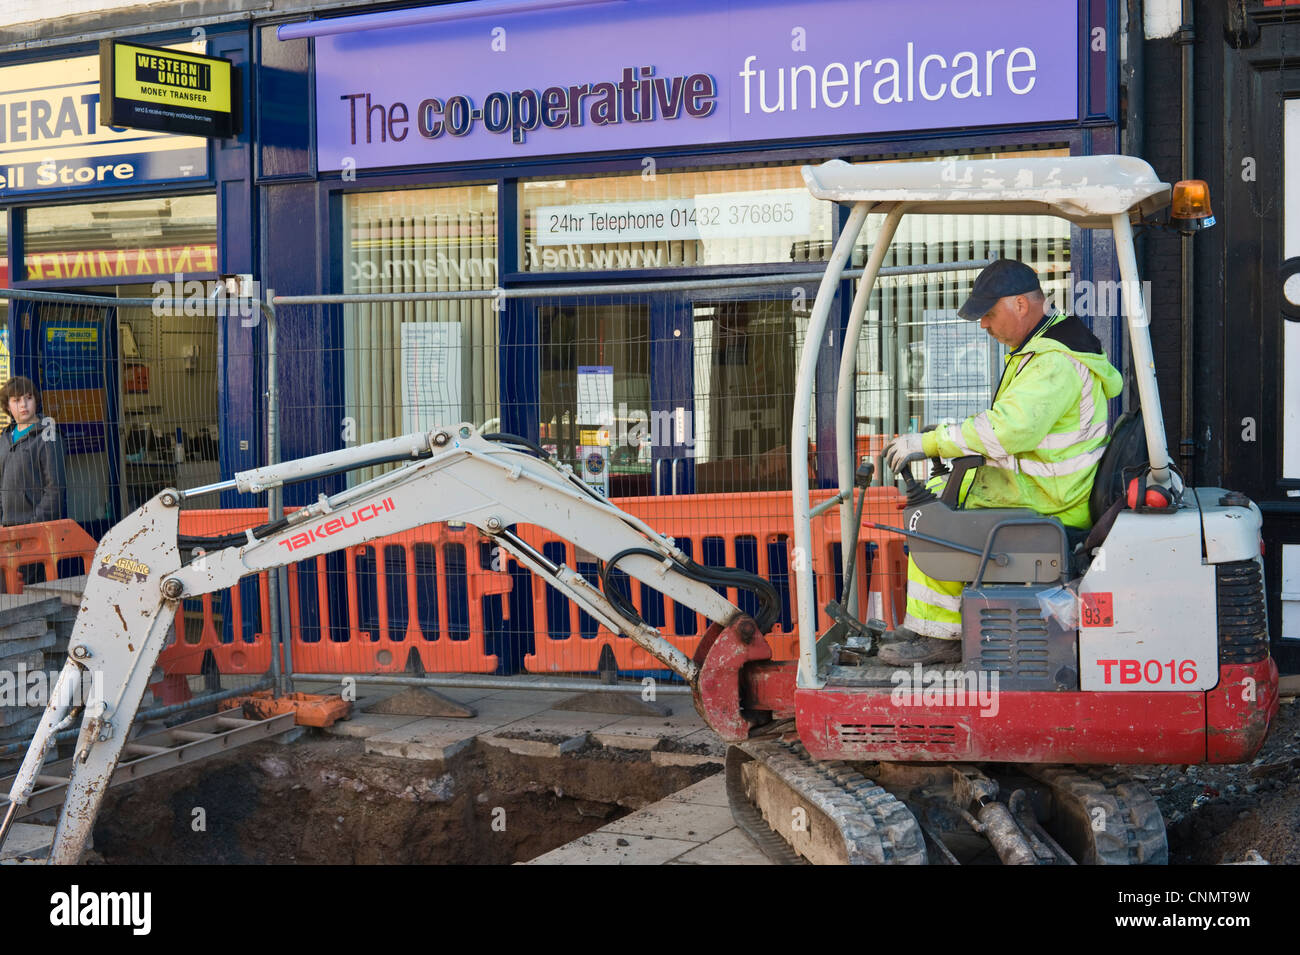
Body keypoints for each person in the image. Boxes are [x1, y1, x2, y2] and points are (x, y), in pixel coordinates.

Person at [879, 259, 1123, 665]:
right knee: (938, 497)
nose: (984, 326)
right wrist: (949, 441)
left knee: (935, 522)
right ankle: (929, 624)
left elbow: (1009, 430)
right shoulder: (1042, 347)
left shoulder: (1052, 362)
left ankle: (941, 637)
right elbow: (1013, 427)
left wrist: (932, 442)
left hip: (1048, 502)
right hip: (1043, 490)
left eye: (989, 315)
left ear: (1021, 306)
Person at [0, 376, 67, 528]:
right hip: (6, 529)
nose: (23, 404)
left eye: (28, 398)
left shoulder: (48, 436)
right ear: (7, 406)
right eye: (16, 400)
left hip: (35, 529)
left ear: (35, 400)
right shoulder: (4, 438)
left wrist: (34, 524)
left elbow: (55, 489)